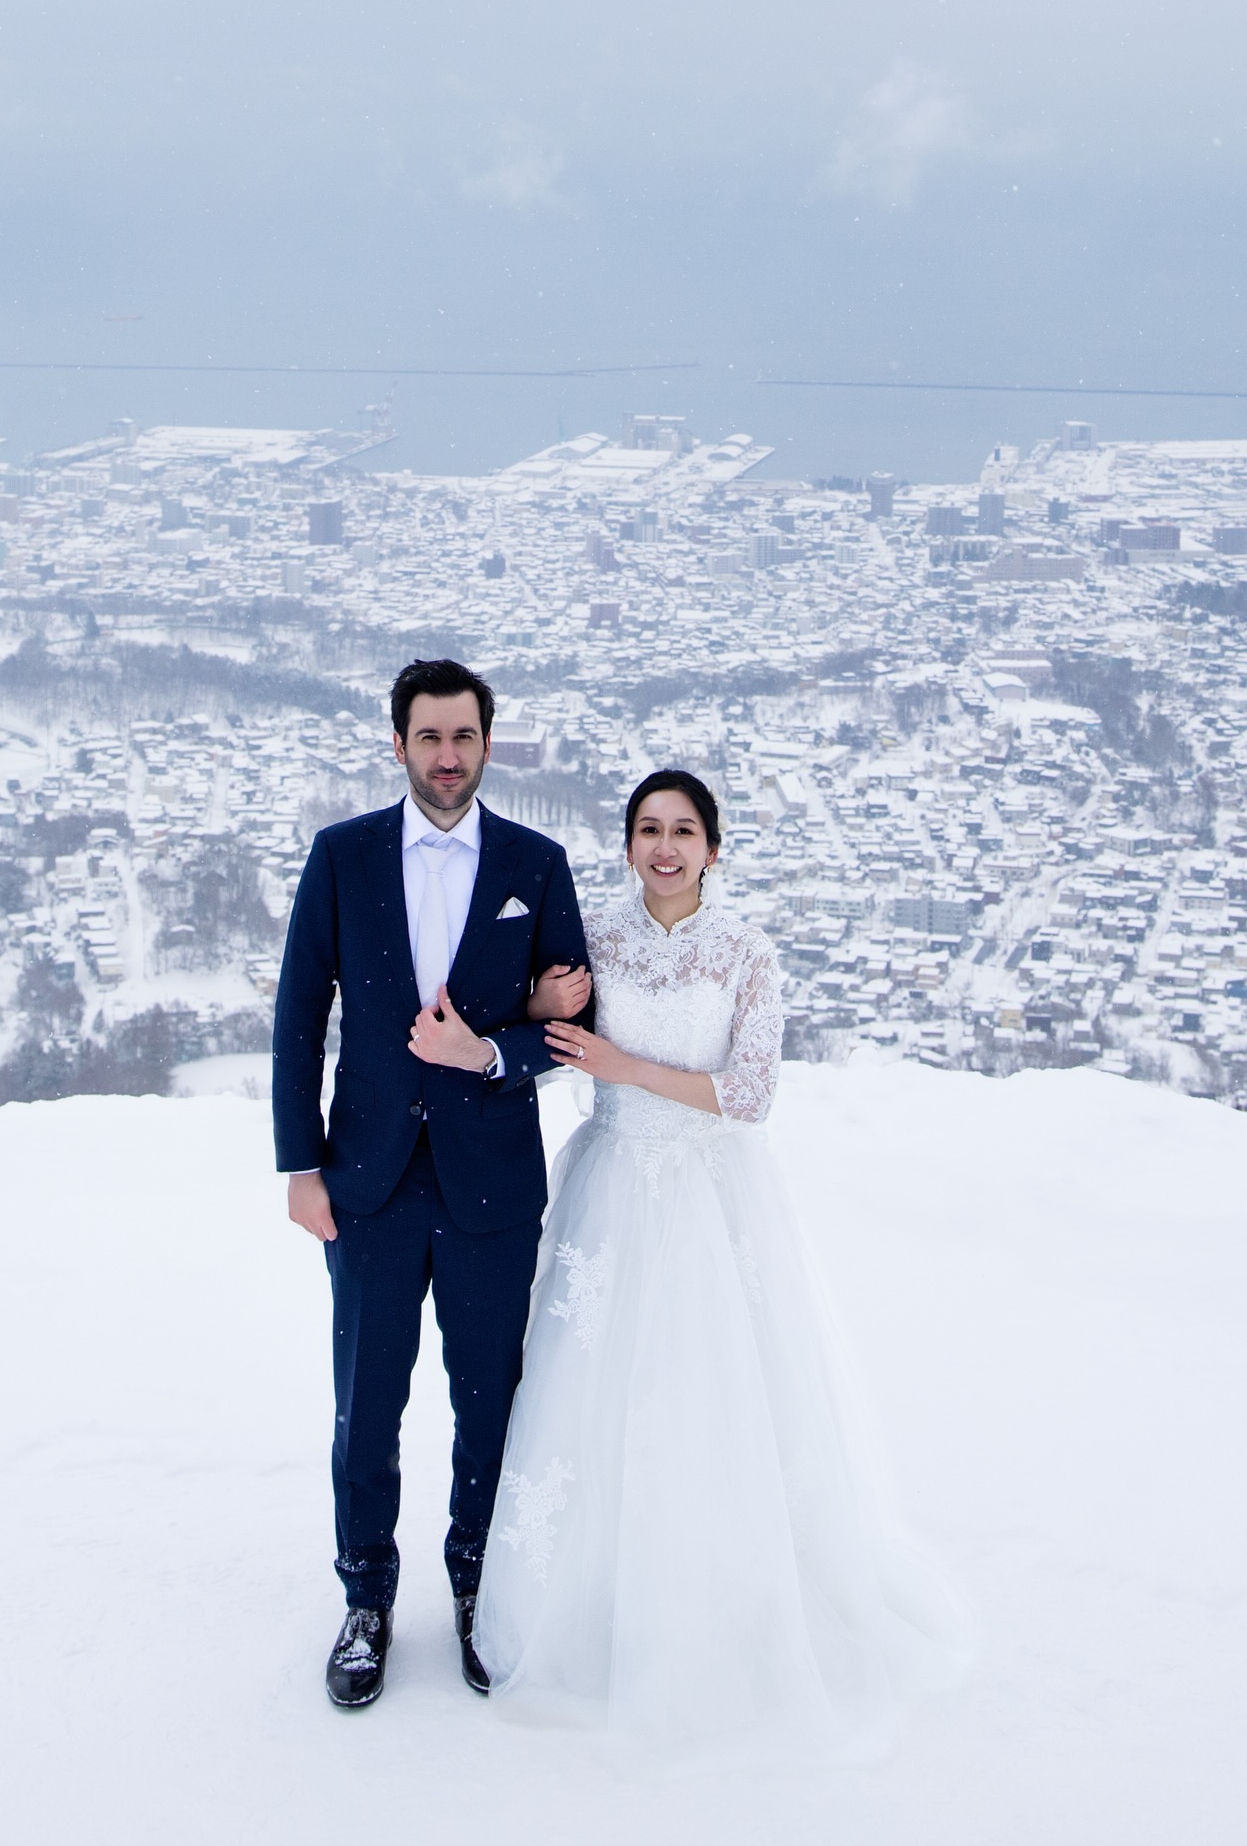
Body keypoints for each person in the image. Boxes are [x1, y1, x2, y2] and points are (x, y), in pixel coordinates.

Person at [473, 770, 970, 1751]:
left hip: (709, 1196)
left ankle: (727, 1606)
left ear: (713, 845)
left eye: (684, 830)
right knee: (593, 1398)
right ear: (625, 846)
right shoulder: (594, 941)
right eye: (648, 830)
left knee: (713, 1397)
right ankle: (589, 1608)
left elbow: (749, 1095)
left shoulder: (746, 951)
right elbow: (539, 1030)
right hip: (608, 1191)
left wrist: (624, 1069)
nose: (665, 847)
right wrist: (539, 1001)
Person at [272, 658, 593, 1710]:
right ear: (399, 744)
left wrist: (490, 1054)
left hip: (490, 1187)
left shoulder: (536, 865)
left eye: (464, 737)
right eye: (429, 737)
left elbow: (569, 1033)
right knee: (364, 1406)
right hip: (363, 1183)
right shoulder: (341, 856)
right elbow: (297, 1017)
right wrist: (298, 1163)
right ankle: (366, 1595)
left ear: (489, 744)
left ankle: (477, 1583)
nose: (447, 756)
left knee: (486, 1402)